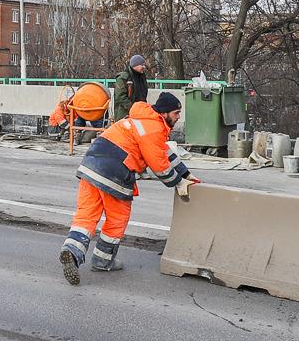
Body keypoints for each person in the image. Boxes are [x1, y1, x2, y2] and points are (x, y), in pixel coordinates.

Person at [59, 90, 197, 285]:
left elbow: (164, 151)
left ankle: (71, 252)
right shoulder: (153, 128)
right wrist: (178, 182)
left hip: (90, 165)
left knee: (86, 215)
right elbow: (159, 164)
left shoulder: (141, 120)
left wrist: (186, 174)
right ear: (165, 113)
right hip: (114, 170)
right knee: (117, 218)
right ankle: (102, 260)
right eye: (176, 113)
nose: (178, 117)